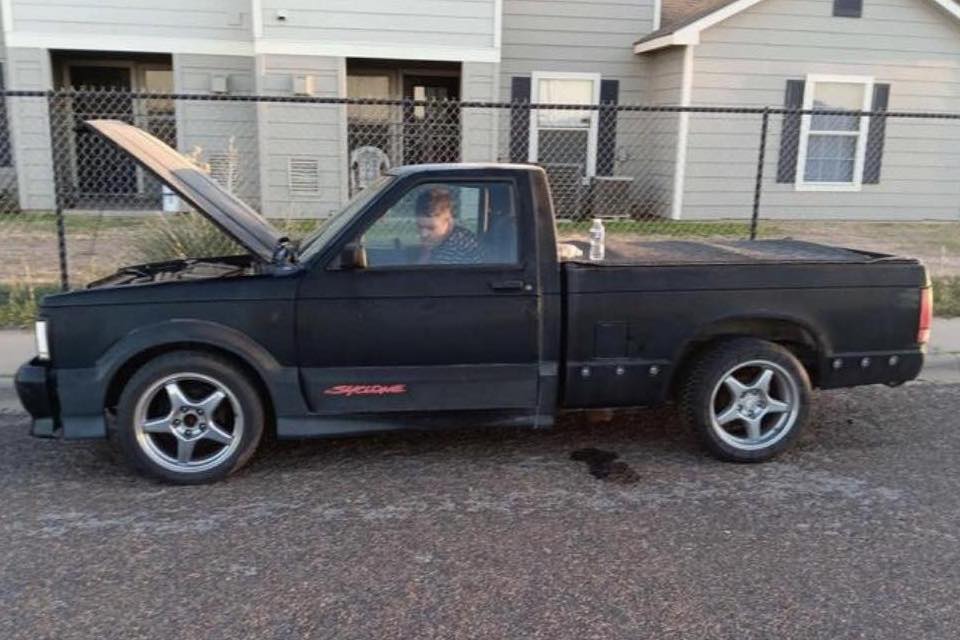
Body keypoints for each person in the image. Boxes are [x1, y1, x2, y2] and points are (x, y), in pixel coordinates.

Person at [415, 187, 480, 264]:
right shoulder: (439, 242)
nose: (424, 234)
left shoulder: (456, 249)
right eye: (420, 226)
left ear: (449, 222)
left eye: (431, 228)